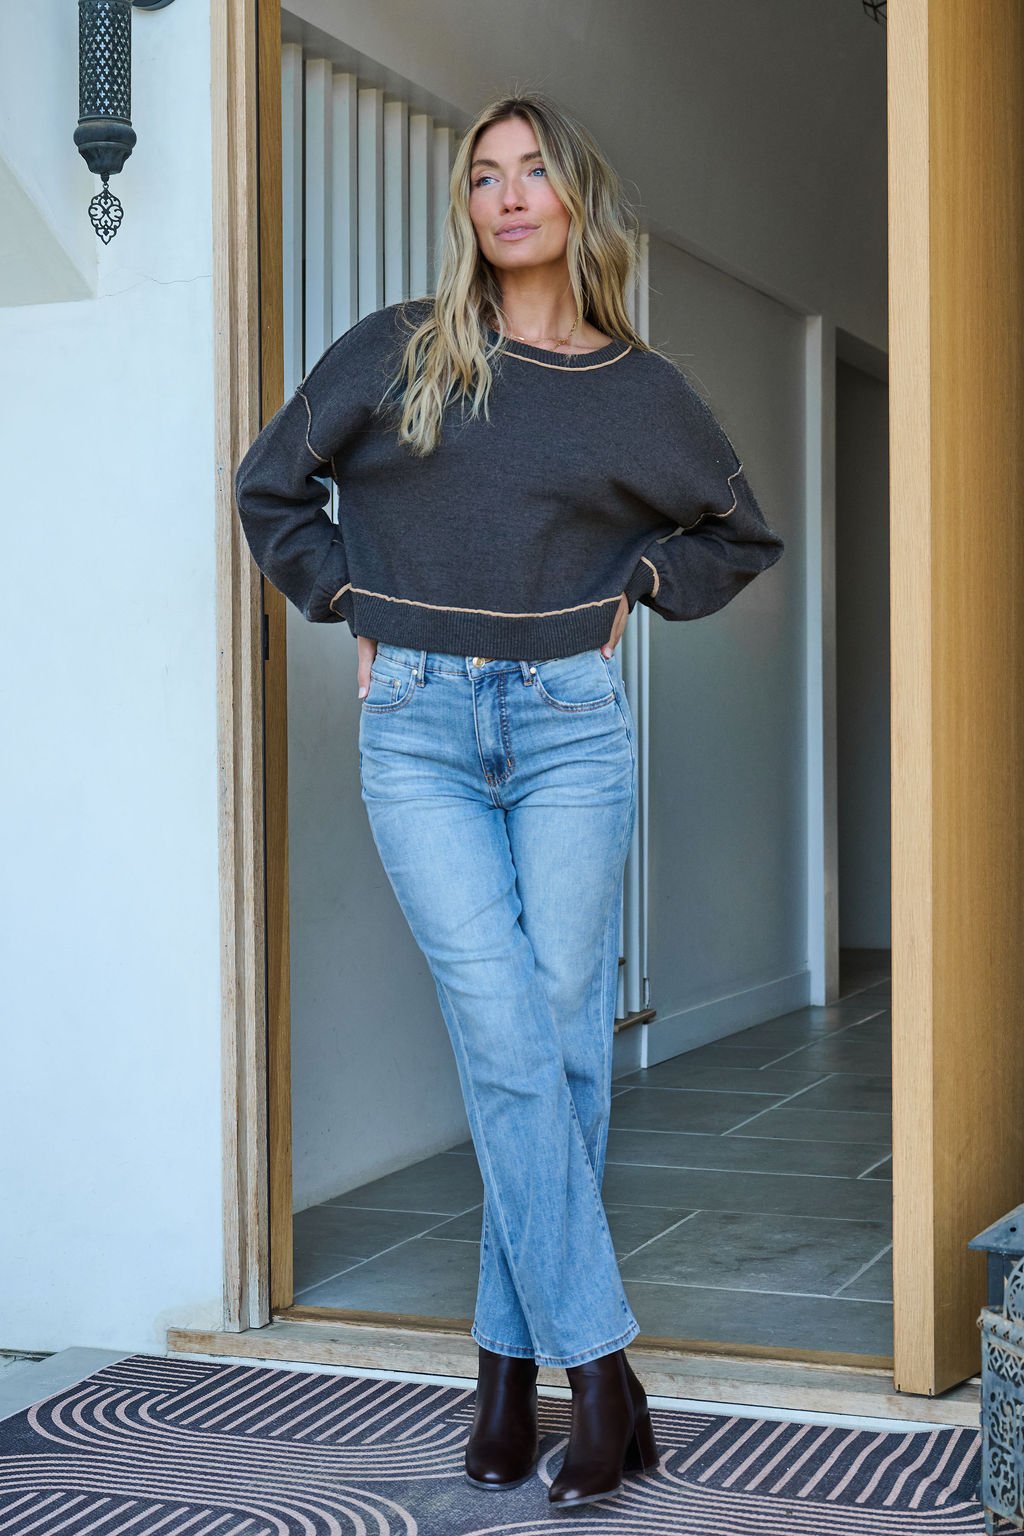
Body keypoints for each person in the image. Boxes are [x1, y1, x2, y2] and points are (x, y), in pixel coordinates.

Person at [234, 90, 784, 1509]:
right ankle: (600, 1379)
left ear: (575, 199)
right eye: (485, 176)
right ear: (466, 208)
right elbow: (273, 488)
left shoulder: (639, 394)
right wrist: (347, 592)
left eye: (534, 170)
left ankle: (500, 1382)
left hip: (567, 734)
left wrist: (639, 585)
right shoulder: (399, 353)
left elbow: (738, 533)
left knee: (558, 1040)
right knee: (505, 1029)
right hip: (414, 727)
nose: (509, 195)